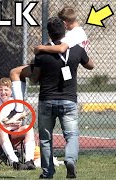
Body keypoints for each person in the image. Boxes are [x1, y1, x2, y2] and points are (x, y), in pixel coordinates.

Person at [30, 17, 94, 179]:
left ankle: (47, 172)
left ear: (49, 33)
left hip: (46, 100)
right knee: (71, 135)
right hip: (69, 100)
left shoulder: (41, 53)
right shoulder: (77, 49)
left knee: (45, 138)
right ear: (65, 31)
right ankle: (70, 159)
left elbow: (34, 79)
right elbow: (90, 65)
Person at [8, 6, 88, 123]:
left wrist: (40, 48)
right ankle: (19, 108)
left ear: (64, 24)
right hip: (61, 65)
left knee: (15, 72)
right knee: (19, 72)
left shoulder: (74, 34)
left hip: (56, 65)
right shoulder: (79, 32)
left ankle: (19, 109)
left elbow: (61, 48)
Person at [0, 77, 36, 170]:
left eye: (6, 89)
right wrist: (8, 124)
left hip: (13, 132)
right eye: (0, 89)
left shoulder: (15, 103)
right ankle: (14, 161)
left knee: (28, 128)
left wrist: (15, 122)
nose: (3, 92)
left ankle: (29, 160)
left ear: (11, 91)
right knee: (2, 130)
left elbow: (18, 119)